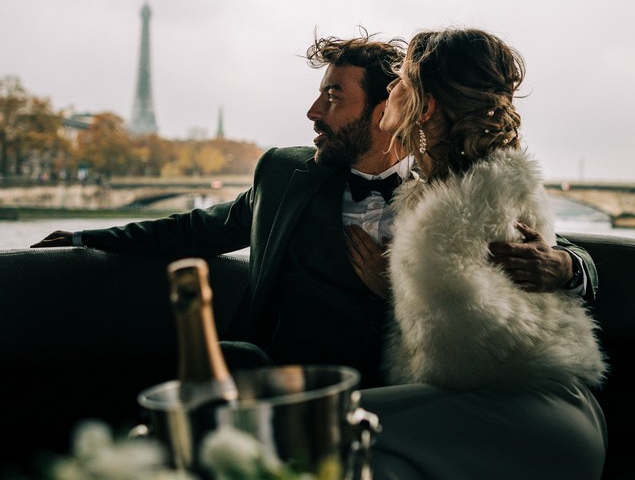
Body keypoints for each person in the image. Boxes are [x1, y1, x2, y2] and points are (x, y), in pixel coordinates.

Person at [32, 31, 596, 389]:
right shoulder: (284, 174)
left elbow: (536, 247)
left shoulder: (450, 184)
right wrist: (86, 240)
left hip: (402, 389)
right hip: (283, 380)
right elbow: (199, 228)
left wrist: (572, 268)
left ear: (384, 109)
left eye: (333, 97)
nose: (312, 111)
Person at [360, 27, 607, 480]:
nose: (388, 93)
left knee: (339, 433)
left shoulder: (478, 194)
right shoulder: (446, 187)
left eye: (399, 82)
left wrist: (569, 263)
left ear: (426, 109)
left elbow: (462, 343)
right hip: (512, 406)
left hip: (531, 411)